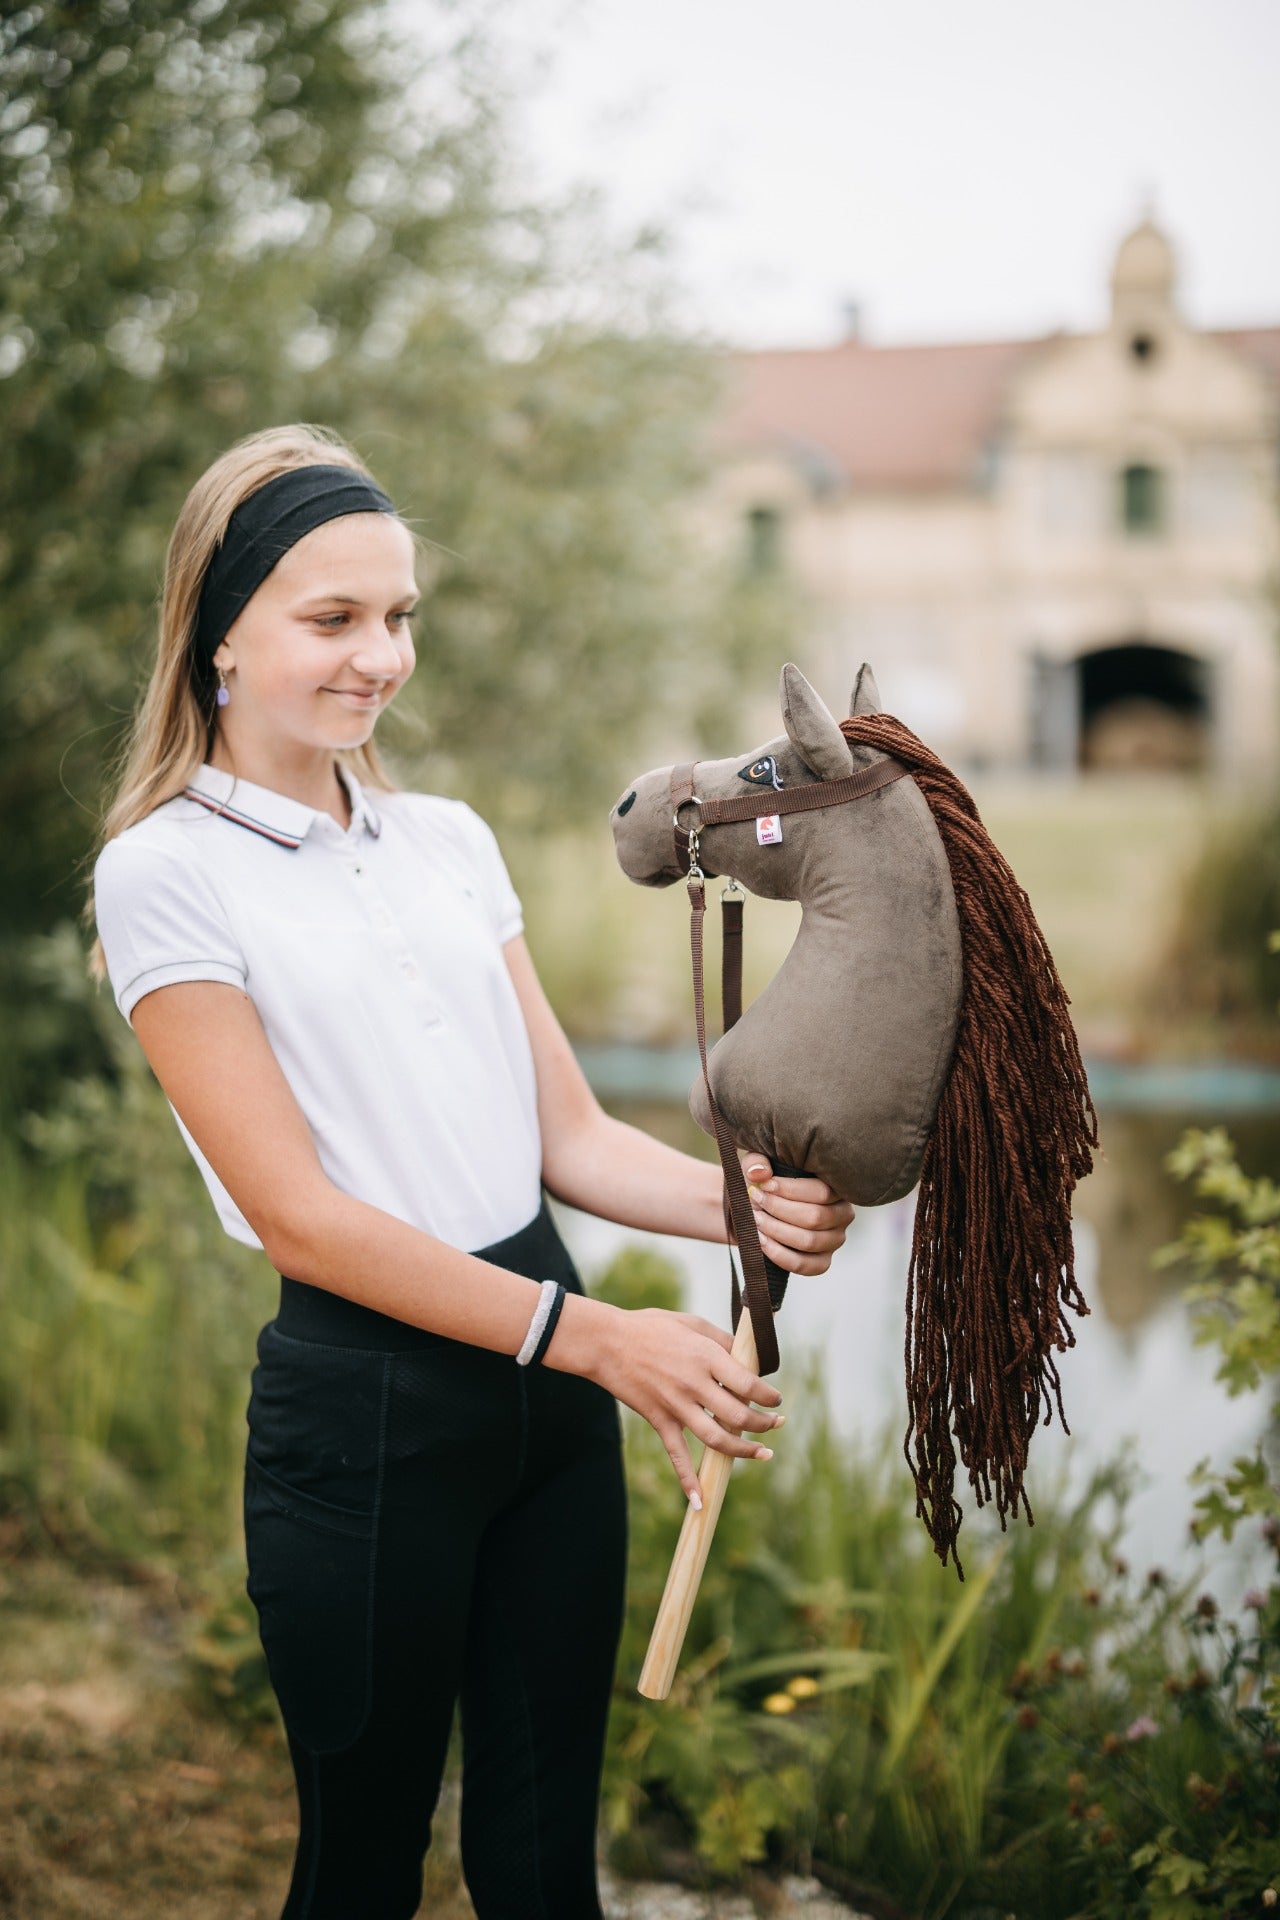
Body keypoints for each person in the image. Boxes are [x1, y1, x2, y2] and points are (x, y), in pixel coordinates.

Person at [86, 424, 854, 1920]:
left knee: (542, 1864)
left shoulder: (447, 840)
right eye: (335, 618)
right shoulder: (165, 867)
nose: (381, 657)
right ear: (218, 631)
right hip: (367, 1407)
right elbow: (303, 1220)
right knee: (363, 1872)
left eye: (399, 618)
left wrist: (737, 1204)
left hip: (550, 1408)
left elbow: (565, 1141)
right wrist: (608, 1340)